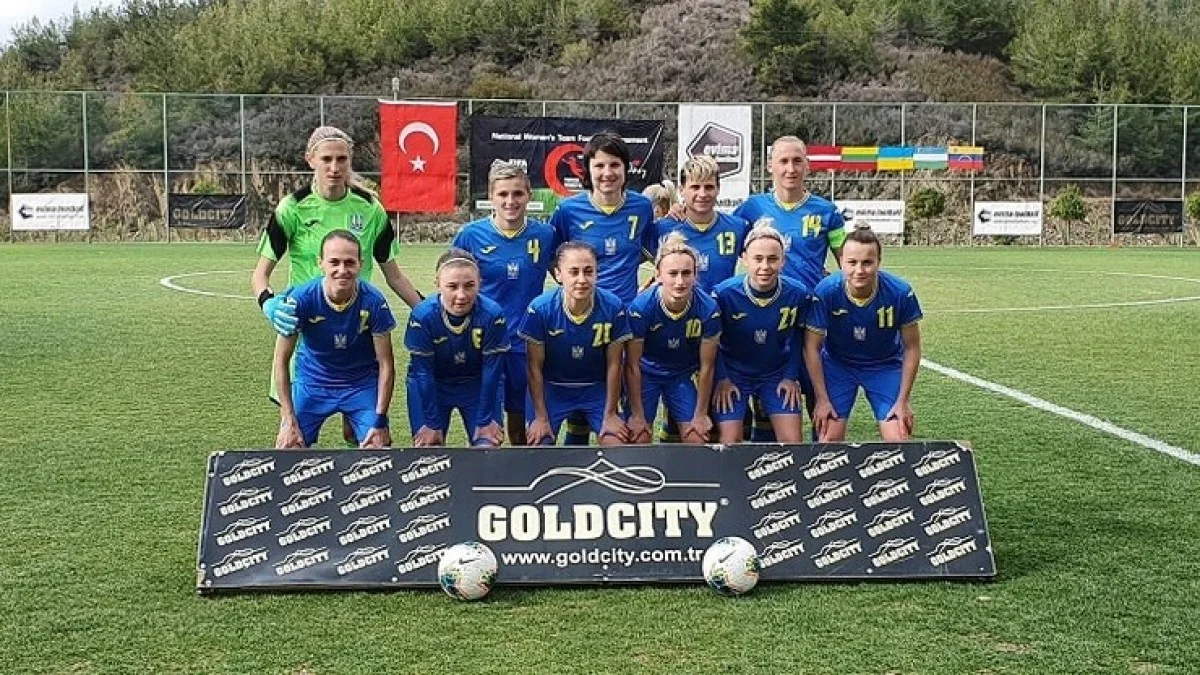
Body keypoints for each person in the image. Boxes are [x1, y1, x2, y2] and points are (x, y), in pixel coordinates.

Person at [251, 126, 422, 443]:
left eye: (341, 159)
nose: (334, 167)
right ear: (310, 159)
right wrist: (269, 303)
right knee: (292, 433)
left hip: (357, 327)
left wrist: (425, 311)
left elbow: (394, 275)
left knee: (359, 431)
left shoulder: (370, 208)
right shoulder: (292, 208)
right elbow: (260, 274)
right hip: (306, 328)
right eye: (326, 159)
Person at [733, 136, 846, 441]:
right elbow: (721, 237)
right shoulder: (751, 208)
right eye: (783, 161)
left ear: (807, 165)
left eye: (797, 161)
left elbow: (847, 262)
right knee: (770, 404)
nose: (790, 168)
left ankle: (821, 463)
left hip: (812, 320)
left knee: (818, 397)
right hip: (769, 321)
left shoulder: (827, 212)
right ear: (770, 166)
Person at [548, 131, 655, 444]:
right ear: (588, 169)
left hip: (626, 318)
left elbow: (656, 253)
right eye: (599, 165)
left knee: (625, 396)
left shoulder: (642, 207)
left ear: (625, 168)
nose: (607, 173)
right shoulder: (568, 211)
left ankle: (625, 462)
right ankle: (577, 467)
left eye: (614, 165)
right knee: (582, 401)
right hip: (582, 318)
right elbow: (555, 261)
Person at [451, 161, 558, 445]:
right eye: (503, 194)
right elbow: (451, 286)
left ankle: (521, 472)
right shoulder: (470, 235)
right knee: (487, 428)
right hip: (485, 343)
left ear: (528, 195)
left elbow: (565, 276)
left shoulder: (545, 235)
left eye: (518, 193)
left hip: (528, 343)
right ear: (491, 196)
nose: (510, 201)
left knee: (523, 427)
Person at [273, 230, 396, 448]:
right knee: (290, 446)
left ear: (360, 264)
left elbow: (386, 364)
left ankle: (356, 430)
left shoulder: (374, 302)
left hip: (360, 384)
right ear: (320, 263)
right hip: (313, 382)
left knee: (377, 447)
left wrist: (380, 420)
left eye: (349, 263)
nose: (342, 270)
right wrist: (288, 418)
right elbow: (280, 361)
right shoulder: (301, 300)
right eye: (334, 262)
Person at [805, 226, 923, 442]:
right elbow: (812, 347)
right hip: (838, 366)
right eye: (852, 262)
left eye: (867, 262)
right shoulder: (826, 291)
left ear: (879, 262)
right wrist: (821, 399)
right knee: (828, 440)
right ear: (841, 261)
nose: (859, 270)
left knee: (898, 438)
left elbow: (912, 347)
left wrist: (903, 400)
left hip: (884, 366)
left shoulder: (900, 292)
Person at [519, 241, 631, 446]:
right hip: (553, 388)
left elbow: (615, 364)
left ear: (597, 273)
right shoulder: (540, 309)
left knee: (616, 443)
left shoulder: (614, 307)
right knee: (539, 443)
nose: (581, 279)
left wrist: (610, 414)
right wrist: (541, 418)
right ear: (558, 274)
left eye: (588, 271)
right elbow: (534, 368)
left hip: (596, 388)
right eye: (573, 272)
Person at [711, 221, 811, 444]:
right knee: (730, 442)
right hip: (734, 374)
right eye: (758, 258)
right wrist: (722, 378)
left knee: (792, 442)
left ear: (783, 261)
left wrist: (790, 376)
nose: (765, 266)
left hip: (775, 372)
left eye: (773, 259)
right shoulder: (724, 294)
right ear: (744, 258)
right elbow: (712, 342)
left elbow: (799, 338)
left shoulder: (797, 293)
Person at [404, 249, 508, 447]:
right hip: (434, 384)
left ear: (479, 283)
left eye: (469, 286)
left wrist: (485, 420)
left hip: (476, 383)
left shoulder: (492, 314)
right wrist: (432, 424)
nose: (461, 295)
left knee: (486, 446)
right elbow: (422, 372)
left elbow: (492, 369)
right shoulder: (422, 316)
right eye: (452, 286)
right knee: (429, 449)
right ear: (437, 284)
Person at [625, 232, 722, 444]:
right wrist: (638, 415)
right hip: (646, 374)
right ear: (658, 275)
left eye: (686, 273)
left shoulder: (708, 309)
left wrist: (700, 415)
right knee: (639, 437)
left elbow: (707, 366)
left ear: (695, 275)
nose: (680, 281)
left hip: (681, 375)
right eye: (672, 273)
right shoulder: (641, 308)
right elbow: (632, 365)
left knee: (696, 437)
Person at [649, 155, 748, 293]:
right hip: (679, 305)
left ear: (718, 188)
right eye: (695, 187)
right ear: (681, 190)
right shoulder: (662, 228)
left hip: (722, 305)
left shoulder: (737, 227)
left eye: (709, 187)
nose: (702, 194)